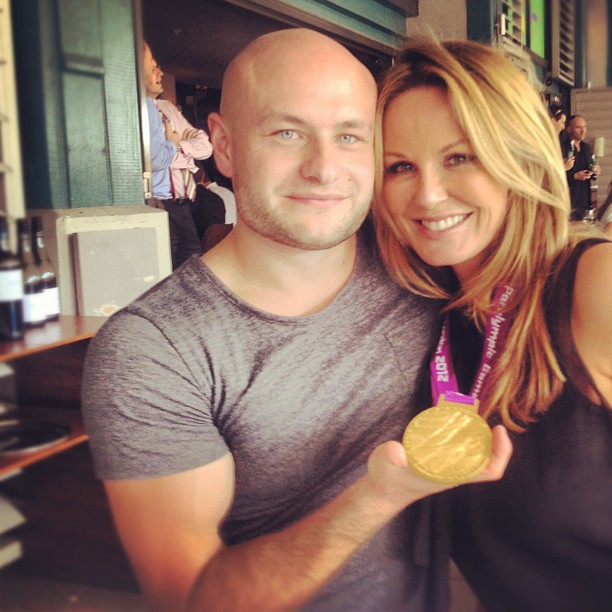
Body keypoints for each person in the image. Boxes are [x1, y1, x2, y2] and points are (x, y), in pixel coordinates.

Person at [82, 29, 512, 612]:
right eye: (287, 133)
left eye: (350, 136)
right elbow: (190, 595)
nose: (323, 169)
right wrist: (375, 499)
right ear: (224, 146)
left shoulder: (417, 261)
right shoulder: (154, 351)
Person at [374, 38, 612, 612]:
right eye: (400, 166)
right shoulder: (437, 313)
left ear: (520, 159)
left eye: (461, 157)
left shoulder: (594, 283)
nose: (428, 194)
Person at [143, 42, 213, 269]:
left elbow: (205, 147)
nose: (161, 73)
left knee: (190, 255)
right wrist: (177, 146)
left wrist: (176, 144)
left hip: (185, 199)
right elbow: (157, 159)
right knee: (174, 259)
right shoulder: (139, 110)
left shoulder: (168, 108)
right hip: (159, 199)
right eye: (153, 67)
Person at [563, 114, 601, 221]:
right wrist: (574, 176)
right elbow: (555, 174)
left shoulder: (586, 147)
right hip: (569, 199)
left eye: (584, 127)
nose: (583, 131)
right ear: (569, 129)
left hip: (585, 199)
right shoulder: (563, 147)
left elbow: (591, 167)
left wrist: (595, 171)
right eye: (578, 127)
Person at [550, 105, 574, 172]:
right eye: (562, 122)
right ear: (553, 120)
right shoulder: (544, 141)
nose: (563, 127)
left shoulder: (557, 141)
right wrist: (563, 167)